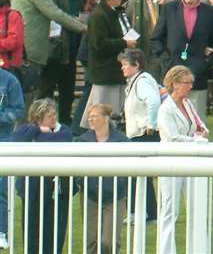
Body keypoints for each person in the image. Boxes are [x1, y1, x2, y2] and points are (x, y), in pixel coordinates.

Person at [156, 65, 211, 254]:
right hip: (171, 162)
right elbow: (172, 138)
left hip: (190, 162)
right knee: (170, 211)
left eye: (191, 83)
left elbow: (203, 128)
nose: (190, 86)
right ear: (175, 84)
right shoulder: (165, 109)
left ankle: (196, 249)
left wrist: (199, 135)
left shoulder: (188, 104)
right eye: (187, 83)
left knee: (196, 207)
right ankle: (165, 251)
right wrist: (196, 138)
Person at [10, 98, 73, 254]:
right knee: (32, 230)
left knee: (55, 230)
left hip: (56, 190)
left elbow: (62, 140)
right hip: (32, 189)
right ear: (38, 118)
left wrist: (39, 135)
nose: (54, 118)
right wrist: (37, 130)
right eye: (49, 115)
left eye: (54, 114)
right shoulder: (28, 129)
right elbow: (15, 140)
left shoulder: (63, 130)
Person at [74, 102, 131, 253]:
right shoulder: (82, 140)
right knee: (91, 240)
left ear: (106, 119)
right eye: (89, 117)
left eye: (94, 116)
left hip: (115, 196)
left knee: (109, 241)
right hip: (90, 195)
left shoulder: (122, 141)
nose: (90, 120)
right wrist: (81, 182)